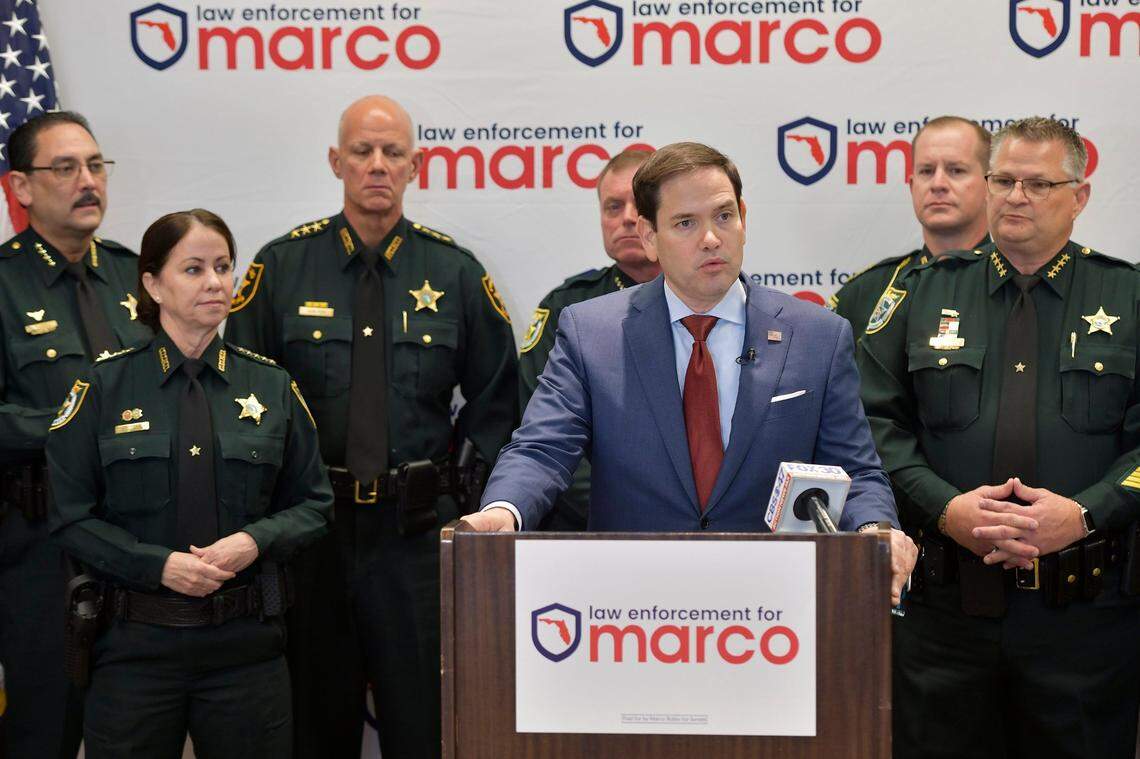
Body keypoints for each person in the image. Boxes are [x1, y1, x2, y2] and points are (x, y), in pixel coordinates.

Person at [464, 141, 917, 605]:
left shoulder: (818, 336)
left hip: (775, 607)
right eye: (685, 223)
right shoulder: (591, 332)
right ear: (648, 236)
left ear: (744, 216)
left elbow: (856, 470)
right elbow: (543, 449)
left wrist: (876, 529)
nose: (711, 239)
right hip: (630, 607)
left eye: (724, 216)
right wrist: (504, 510)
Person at [224, 95, 518, 759]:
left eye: (392, 153)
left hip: (414, 540)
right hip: (309, 540)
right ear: (337, 161)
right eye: (362, 151)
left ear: (417, 166)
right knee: (310, 727)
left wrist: (461, 498)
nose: (377, 165)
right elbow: (238, 395)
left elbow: (500, 399)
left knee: (426, 728)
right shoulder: (280, 268)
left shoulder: (455, 272)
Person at [857, 116, 1140, 758]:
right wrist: (943, 505)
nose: (1016, 196)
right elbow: (873, 429)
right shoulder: (918, 294)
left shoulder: (1130, 295)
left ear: (1081, 196)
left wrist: (1089, 512)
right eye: (1004, 180)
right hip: (944, 620)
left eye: (1038, 183)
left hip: (1086, 625)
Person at [45, 209, 332, 758]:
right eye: (194, 268)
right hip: (135, 650)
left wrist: (254, 542)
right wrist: (158, 565)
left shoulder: (270, 384)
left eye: (223, 267)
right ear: (152, 284)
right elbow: (70, 516)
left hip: (245, 649)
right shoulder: (103, 386)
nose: (215, 282)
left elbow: (315, 504)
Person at [0, 111, 151, 759]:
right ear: (22, 187)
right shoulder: (4, 283)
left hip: (141, 545)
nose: (87, 181)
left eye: (95, 165)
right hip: (41, 549)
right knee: (46, 728)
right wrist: (78, 425)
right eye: (65, 168)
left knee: (142, 729)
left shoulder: (134, 275)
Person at [518, 148, 659, 530]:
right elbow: (547, 432)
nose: (628, 218)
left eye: (640, 206)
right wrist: (622, 516)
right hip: (587, 531)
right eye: (613, 207)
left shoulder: (709, 303)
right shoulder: (567, 309)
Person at [832, 116, 991, 339]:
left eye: (956, 170)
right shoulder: (867, 293)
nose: (938, 184)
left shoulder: (1018, 283)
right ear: (912, 186)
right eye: (926, 171)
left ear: (990, 184)